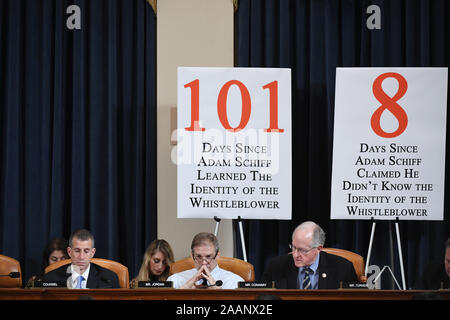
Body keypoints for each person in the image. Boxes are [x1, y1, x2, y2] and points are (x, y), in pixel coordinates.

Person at [261, 221, 358, 289]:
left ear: (319, 248)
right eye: (294, 247)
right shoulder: (275, 266)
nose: (295, 255)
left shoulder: (343, 268)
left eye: (302, 250)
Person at [42, 229, 120, 288]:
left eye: (86, 251)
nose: (81, 257)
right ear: (69, 252)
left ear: (92, 253)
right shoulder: (51, 278)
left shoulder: (109, 279)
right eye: (77, 251)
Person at [167, 232, 244, 289]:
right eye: (199, 257)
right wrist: (180, 294)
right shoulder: (175, 280)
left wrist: (220, 295)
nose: (204, 263)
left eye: (208, 256)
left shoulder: (235, 282)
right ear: (192, 255)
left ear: (217, 255)